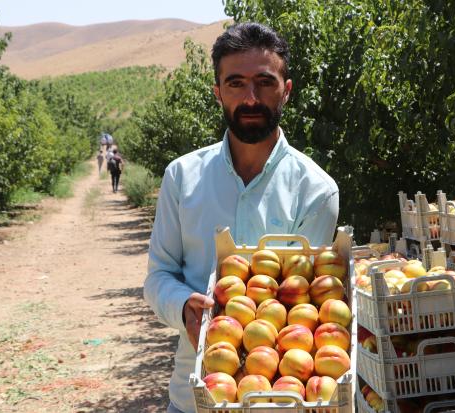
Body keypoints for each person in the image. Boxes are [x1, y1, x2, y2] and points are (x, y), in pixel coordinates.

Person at [144, 22, 339, 413]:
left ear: (286, 90)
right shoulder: (182, 177)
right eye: (235, 83)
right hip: (193, 397)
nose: (251, 98)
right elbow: (158, 275)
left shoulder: (316, 189)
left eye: (264, 82)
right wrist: (184, 307)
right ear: (218, 93)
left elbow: (309, 299)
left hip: (280, 400)